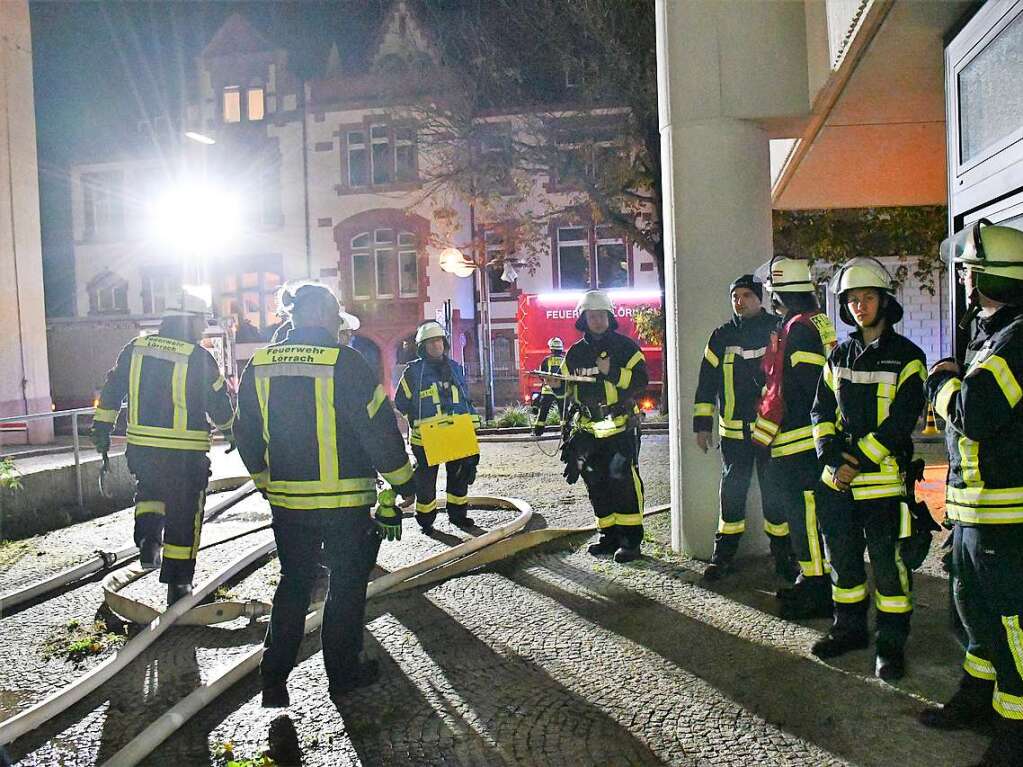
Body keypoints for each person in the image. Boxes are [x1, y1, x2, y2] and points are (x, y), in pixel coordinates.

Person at [234, 282, 416, 708]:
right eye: (337, 319)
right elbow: (377, 430)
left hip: (288, 503)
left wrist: (266, 483)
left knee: (294, 584)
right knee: (346, 588)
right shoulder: (346, 363)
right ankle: (343, 675)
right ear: (326, 316)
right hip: (346, 503)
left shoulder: (259, 364)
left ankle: (273, 679)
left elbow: (244, 434)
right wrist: (404, 482)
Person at [917, 221, 1023, 764]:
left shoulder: (1017, 338)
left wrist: (942, 380)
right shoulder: (988, 331)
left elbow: (976, 414)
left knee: (1011, 625)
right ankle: (979, 699)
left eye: (966, 269)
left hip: (1006, 519)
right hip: (973, 514)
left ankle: (1016, 729)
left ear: (982, 275)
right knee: (972, 615)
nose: (961, 277)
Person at [810, 258, 926, 680]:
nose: (860, 306)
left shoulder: (909, 358)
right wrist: (829, 456)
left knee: (888, 563)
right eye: (852, 300)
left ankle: (891, 645)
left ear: (885, 301)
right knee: (842, 561)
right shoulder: (838, 354)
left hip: (881, 484)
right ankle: (849, 630)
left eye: (868, 298)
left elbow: (901, 422)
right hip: (837, 483)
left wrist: (854, 461)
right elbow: (820, 410)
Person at [91, 288, 235, 605]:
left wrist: (101, 427)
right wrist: (232, 432)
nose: (202, 329)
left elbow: (112, 389)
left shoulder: (135, 349)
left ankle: (147, 540)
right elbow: (219, 406)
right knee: (185, 514)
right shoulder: (199, 358)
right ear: (188, 321)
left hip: (142, 449)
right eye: (200, 322)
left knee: (150, 493)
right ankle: (179, 585)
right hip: (185, 454)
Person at [694, 274, 794, 581]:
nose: (740, 302)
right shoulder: (721, 336)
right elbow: (706, 382)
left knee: (774, 495)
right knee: (732, 495)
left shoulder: (776, 330)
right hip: (733, 433)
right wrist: (702, 423)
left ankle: (783, 558)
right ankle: (722, 557)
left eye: (746, 296)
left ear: (759, 299)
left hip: (769, 431)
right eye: (735, 296)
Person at [752, 256, 836, 619]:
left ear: (779, 294)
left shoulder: (799, 329)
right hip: (802, 440)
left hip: (799, 442)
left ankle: (817, 588)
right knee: (805, 516)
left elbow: (807, 388)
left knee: (804, 517)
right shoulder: (812, 323)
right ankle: (810, 578)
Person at [562, 290, 649, 563]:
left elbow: (642, 380)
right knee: (596, 484)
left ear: (610, 317)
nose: (597, 320)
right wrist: (556, 391)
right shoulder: (574, 354)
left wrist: (612, 370)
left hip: (621, 428)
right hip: (588, 432)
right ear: (583, 319)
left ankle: (630, 541)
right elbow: (566, 393)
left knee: (622, 482)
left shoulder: (626, 347)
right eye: (592, 316)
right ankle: (608, 536)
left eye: (601, 315)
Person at [393, 321, 481, 532]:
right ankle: (425, 520)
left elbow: (464, 399)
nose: (436, 345)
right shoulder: (413, 373)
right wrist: (414, 421)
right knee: (425, 481)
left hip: (456, 432)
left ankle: (458, 516)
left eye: (439, 341)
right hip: (426, 438)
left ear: (445, 343)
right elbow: (400, 402)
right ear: (422, 347)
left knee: (459, 475)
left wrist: (472, 426)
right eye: (430, 342)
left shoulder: (455, 368)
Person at [533, 337, 569, 437]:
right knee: (563, 413)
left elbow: (541, 375)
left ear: (551, 349)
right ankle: (565, 433)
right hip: (563, 392)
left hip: (548, 391)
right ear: (561, 349)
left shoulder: (546, 360)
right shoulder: (565, 360)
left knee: (543, 412)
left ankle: (538, 432)